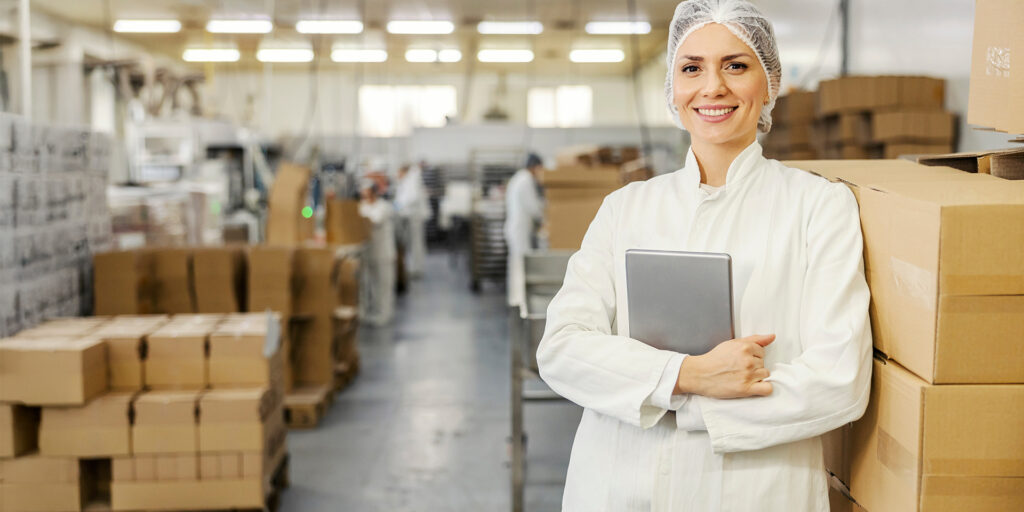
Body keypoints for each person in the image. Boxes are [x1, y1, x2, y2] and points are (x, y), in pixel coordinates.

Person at [535, 1, 873, 510]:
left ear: (770, 82)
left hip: (753, 491)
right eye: (691, 68)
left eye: (735, 66)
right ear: (672, 89)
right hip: (617, 485)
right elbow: (561, 348)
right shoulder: (625, 208)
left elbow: (838, 381)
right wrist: (688, 376)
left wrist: (682, 407)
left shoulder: (818, 207)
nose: (712, 86)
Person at [504, 153, 545, 307]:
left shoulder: (519, 178)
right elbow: (532, 206)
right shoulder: (526, 180)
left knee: (516, 264)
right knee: (520, 265)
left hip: (516, 228)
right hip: (519, 229)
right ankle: (519, 299)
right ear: (534, 166)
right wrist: (547, 212)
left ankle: (516, 298)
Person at [358, 180, 397, 326]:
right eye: (363, 195)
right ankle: (373, 312)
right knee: (371, 285)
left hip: (383, 254)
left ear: (375, 193)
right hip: (369, 253)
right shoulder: (363, 206)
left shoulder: (384, 207)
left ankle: (385, 314)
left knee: (384, 285)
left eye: (368, 195)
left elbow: (374, 221)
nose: (366, 198)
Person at [394, 163, 430, 279]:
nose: (397, 175)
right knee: (414, 243)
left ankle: (417, 269)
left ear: (403, 171)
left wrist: (398, 206)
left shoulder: (411, 180)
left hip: (415, 216)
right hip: (411, 216)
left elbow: (411, 198)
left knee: (416, 243)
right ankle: (414, 267)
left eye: (398, 172)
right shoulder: (408, 180)